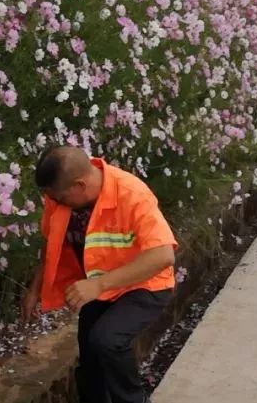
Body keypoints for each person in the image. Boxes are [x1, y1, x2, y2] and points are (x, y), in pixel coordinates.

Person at [22, 146, 177, 403]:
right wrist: (34, 289)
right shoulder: (58, 195)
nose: (55, 203)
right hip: (102, 287)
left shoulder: (131, 194)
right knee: (90, 358)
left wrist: (98, 284)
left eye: (59, 198)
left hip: (145, 284)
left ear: (80, 185)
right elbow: (51, 243)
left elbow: (163, 256)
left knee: (107, 339)